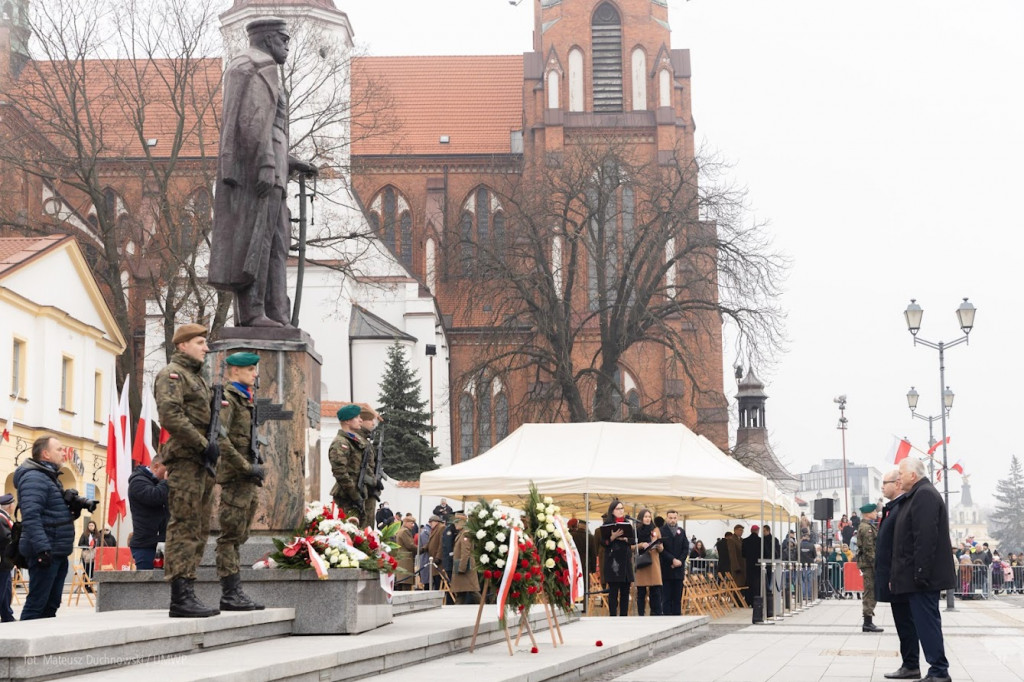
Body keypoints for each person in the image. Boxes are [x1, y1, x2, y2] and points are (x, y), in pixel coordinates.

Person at [208, 17, 316, 327]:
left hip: (273, 170)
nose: (287, 46)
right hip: (261, 171)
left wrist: (290, 161)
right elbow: (252, 124)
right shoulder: (256, 66)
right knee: (259, 242)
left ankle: (276, 313)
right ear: (268, 39)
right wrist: (268, 163)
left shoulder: (255, 66)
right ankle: (253, 312)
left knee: (278, 244)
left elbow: (270, 129)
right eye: (284, 39)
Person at [155, 322, 219, 618]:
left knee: (199, 528)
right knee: (184, 526)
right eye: (199, 342)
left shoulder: (198, 379)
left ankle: (188, 589)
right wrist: (202, 443)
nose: (205, 347)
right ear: (182, 345)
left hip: (201, 462)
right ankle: (180, 596)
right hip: (186, 460)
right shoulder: (173, 374)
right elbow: (170, 414)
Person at [891, 457, 956, 682]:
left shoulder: (924, 494)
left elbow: (925, 538)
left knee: (927, 624)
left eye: (901, 472)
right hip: (917, 577)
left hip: (923, 579)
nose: (898, 477)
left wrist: (920, 573)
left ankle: (939, 671)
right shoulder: (917, 494)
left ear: (913, 475)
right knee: (925, 624)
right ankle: (937, 669)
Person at [215, 352, 266, 611]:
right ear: (234, 371)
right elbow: (221, 439)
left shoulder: (246, 399)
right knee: (230, 536)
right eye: (250, 370)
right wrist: (247, 467)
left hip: (246, 478)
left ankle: (236, 591)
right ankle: (230, 593)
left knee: (241, 535)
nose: (255, 374)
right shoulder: (228, 398)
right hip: (236, 477)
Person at [14, 436, 76, 620]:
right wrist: (43, 549)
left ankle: (43, 648)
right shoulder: (35, 477)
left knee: (50, 605)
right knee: (37, 605)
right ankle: (23, 647)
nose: (63, 453)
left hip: (56, 550)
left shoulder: (49, 477)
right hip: (45, 552)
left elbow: (53, 515)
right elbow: (31, 516)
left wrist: (74, 510)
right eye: (59, 449)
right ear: (45, 454)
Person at [876, 469, 919, 679]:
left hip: (900, 577)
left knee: (906, 622)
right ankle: (909, 663)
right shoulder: (893, 508)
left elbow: (900, 547)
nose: (882, 486)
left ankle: (911, 665)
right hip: (895, 576)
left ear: (898, 484)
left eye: (885, 482)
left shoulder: (901, 508)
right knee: (903, 622)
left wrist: (894, 576)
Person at [127, 456, 169, 570]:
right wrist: (165, 482)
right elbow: (154, 497)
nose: (168, 475)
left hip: (163, 542)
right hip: (145, 545)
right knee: (147, 584)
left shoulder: (159, 484)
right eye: (166, 471)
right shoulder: (137, 481)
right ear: (156, 467)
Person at [328, 404, 366, 522]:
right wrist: (355, 495)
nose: (361, 420)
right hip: (347, 495)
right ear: (348, 421)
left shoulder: (354, 441)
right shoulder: (340, 443)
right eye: (357, 417)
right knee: (349, 532)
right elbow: (340, 472)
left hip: (356, 493)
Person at [599, 500, 634, 616]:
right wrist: (612, 537)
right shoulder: (607, 524)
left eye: (622, 508)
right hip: (613, 561)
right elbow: (603, 542)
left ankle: (624, 615)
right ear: (612, 511)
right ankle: (613, 616)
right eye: (618, 509)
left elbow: (633, 539)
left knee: (625, 591)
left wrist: (626, 539)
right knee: (613, 591)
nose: (620, 511)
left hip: (625, 560)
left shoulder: (627, 523)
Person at [354, 404, 382, 528]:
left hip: (368, 492)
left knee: (368, 527)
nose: (373, 423)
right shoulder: (358, 440)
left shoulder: (366, 441)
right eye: (370, 420)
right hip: (360, 491)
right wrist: (373, 481)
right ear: (362, 420)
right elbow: (356, 468)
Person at [856, 502, 883, 632]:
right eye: (874, 511)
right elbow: (869, 549)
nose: (876, 513)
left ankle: (868, 621)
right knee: (870, 591)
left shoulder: (867, 526)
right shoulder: (867, 528)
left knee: (871, 591)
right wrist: (875, 565)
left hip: (868, 563)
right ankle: (867, 622)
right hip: (869, 564)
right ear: (868, 513)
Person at [659, 509, 688, 615]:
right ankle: (667, 619)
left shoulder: (681, 531)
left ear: (678, 518)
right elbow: (661, 550)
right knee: (666, 598)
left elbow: (685, 548)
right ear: (666, 518)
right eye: (670, 518)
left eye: (674, 518)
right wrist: (672, 560)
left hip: (678, 570)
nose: (672, 520)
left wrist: (680, 561)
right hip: (666, 569)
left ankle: (677, 618)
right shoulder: (661, 531)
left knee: (677, 598)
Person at [634, 508, 662, 616]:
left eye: (649, 517)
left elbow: (662, 549)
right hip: (642, 562)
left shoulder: (655, 530)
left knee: (655, 590)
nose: (647, 519)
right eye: (645, 517)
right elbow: (631, 546)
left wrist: (659, 545)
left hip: (653, 563)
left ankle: (655, 613)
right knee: (641, 592)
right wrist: (641, 545)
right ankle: (641, 614)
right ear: (641, 518)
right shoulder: (636, 530)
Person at [450, 513, 480, 604]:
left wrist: (462, 568)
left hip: (465, 567)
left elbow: (465, 552)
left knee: (472, 590)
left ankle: (483, 606)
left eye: (456, 522)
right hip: (462, 566)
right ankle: (457, 609)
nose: (454, 524)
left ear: (462, 522)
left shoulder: (465, 534)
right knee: (461, 591)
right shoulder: (462, 533)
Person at [0, 493, 15, 622]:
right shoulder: (1, 518)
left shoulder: (5, 517)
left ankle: (7, 614)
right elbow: (6, 538)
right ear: (10, 506)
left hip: (7, 560)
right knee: (2, 588)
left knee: (6, 589)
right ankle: (6, 614)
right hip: (3, 560)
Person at [742, 524, 762, 605]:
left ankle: (748, 600)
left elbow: (743, 554)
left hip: (749, 564)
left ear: (751, 531)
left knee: (749, 581)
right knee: (757, 583)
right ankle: (756, 601)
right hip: (758, 564)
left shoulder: (745, 540)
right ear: (757, 531)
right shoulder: (760, 541)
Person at [395, 515, 417, 590]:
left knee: (402, 584)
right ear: (406, 522)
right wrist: (421, 549)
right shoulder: (405, 531)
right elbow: (410, 545)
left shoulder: (400, 530)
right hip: (406, 560)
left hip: (401, 559)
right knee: (405, 584)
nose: (413, 525)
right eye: (411, 523)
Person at [76, 520, 101, 584]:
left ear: (95, 526)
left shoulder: (98, 535)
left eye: (92, 525)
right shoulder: (84, 534)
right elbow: (80, 544)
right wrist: (87, 546)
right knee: (87, 570)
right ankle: (86, 585)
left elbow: (100, 543)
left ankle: (91, 585)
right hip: (86, 555)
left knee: (92, 570)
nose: (91, 527)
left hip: (95, 554)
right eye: (89, 525)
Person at [426, 515, 444, 590]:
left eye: (431, 522)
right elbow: (430, 543)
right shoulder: (433, 530)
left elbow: (441, 543)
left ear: (436, 522)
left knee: (438, 580)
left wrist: (438, 557)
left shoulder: (441, 528)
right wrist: (423, 549)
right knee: (435, 579)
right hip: (433, 558)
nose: (430, 524)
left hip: (438, 560)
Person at [798, 529, 817, 601]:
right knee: (809, 580)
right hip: (810, 565)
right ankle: (809, 595)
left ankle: (803, 595)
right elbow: (814, 555)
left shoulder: (799, 545)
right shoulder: (812, 545)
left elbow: (796, 555)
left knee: (802, 580)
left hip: (801, 565)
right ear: (808, 538)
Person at [727, 524, 746, 591]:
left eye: (742, 530)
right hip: (737, 566)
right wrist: (736, 567)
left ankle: (740, 599)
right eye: (740, 530)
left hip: (743, 565)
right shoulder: (731, 540)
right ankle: (736, 599)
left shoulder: (742, 540)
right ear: (735, 530)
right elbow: (732, 554)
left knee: (742, 584)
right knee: (737, 584)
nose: (742, 532)